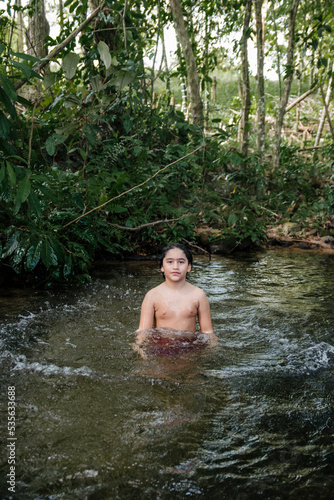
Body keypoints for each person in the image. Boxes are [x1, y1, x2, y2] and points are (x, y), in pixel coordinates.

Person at [136, 243, 218, 348]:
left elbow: (207, 331)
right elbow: (143, 331)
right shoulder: (152, 296)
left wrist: (213, 348)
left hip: (189, 345)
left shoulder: (198, 295)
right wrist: (140, 349)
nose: (175, 267)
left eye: (181, 262)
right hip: (162, 346)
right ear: (162, 267)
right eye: (170, 262)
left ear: (189, 267)